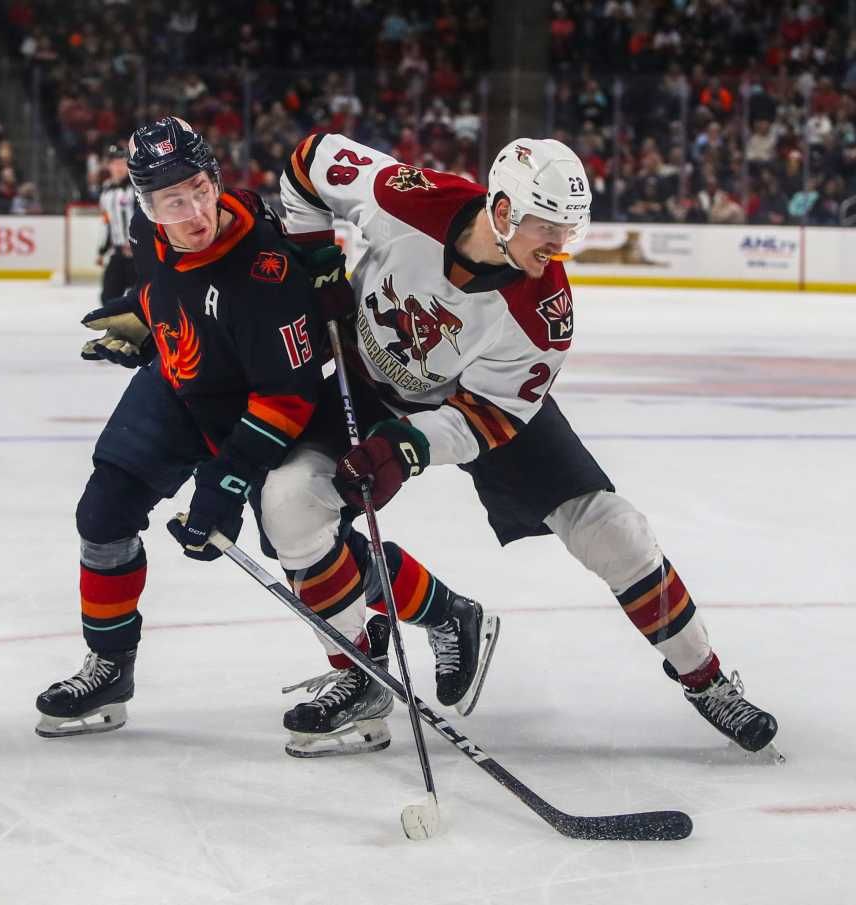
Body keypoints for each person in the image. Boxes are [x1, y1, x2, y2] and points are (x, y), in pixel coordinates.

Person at [272, 133, 779, 755]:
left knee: (611, 528)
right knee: (290, 505)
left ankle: (705, 678)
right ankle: (360, 677)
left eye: (571, 230)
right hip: (366, 381)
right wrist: (315, 254)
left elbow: (486, 418)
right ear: (505, 210)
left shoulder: (544, 311)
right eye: (550, 228)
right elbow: (308, 160)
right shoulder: (407, 198)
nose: (561, 247)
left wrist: (406, 448)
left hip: (477, 403)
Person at [33, 116, 325, 738]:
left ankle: (409, 631)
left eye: (199, 189)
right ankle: (109, 666)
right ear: (145, 205)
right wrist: (146, 322)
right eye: (172, 200)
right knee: (103, 513)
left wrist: (229, 477)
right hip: (176, 384)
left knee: (303, 544)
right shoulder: (148, 230)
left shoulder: (264, 270)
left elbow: (290, 393)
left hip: (250, 409)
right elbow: (164, 288)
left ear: (216, 178)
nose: (193, 211)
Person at [96, 144, 137, 302]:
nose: (118, 167)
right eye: (115, 163)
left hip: (138, 255)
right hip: (118, 253)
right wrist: (102, 250)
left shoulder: (136, 188)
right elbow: (107, 223)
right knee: (108, 298)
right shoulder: (105, 190)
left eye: (122, 163)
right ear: (109, 166)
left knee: (145, 301)